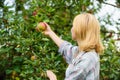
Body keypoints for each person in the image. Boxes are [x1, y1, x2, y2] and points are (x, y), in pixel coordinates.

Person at [43, 13, 104, 80]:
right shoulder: (81, 52)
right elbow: (66, 48)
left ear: (80, 29)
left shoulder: (87, 58)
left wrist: (52, 77)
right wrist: (50, 32)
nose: (72, 29)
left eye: (74, 26)